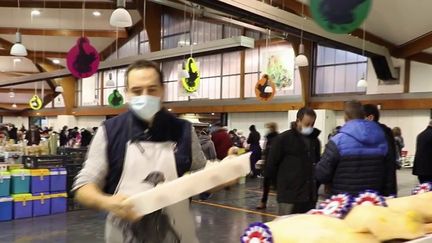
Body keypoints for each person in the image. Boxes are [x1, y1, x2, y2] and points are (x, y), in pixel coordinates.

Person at [73, 60, 207, 243]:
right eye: (137, 91)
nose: (145, 96)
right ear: (127, 93)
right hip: (125, 235)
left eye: (152, 90)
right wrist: (106, 202)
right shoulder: (110, 131)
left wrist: (226, 171)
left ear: (162, 91)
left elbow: (202, 174)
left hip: (175, 233)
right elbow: (83, 186)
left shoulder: (183, 130)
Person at [315, 101, 391, 196]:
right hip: (371, 202)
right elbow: (388, 174)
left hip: (344, 203)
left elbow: (322, 175)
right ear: (363, 115)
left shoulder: (337, 141)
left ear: (345, 116)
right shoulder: (381, 138)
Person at [265, 108, 321, 215]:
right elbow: (271, 165)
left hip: (309, 197)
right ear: (298, 121)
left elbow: (317, 164)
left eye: (312, 124)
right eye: (306, 123)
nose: (309, 127)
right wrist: (281, 187)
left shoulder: (315, 141)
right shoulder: (283, 139)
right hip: (289, 197)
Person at [363, 104, 398, 195]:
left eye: (361, 118)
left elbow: (389, 164)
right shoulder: (367, 134)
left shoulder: (382, 134)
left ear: (370, 117)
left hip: (380, 189)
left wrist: (389, 193)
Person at [257, 122, 279, 210]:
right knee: (266, 185)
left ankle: (282, 204)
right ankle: (263, 202)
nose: (269, 129)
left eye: (270, 127)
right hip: (268, 164)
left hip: (275, 165)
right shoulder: (268, 138)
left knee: (277, 185)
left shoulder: (277, 138)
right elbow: (266, 151)